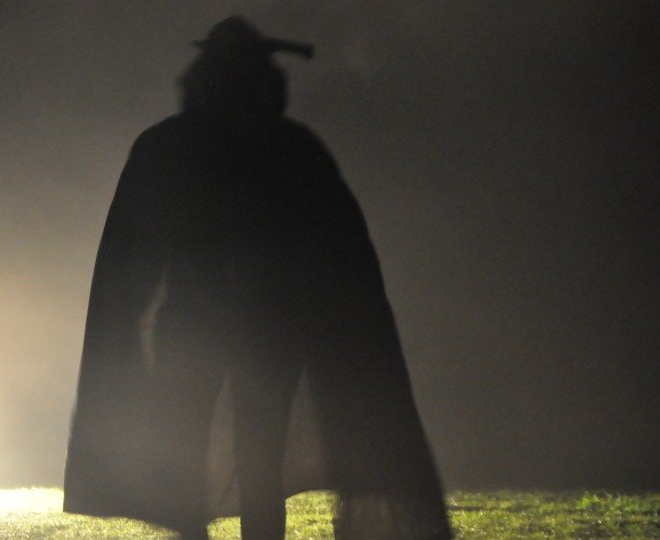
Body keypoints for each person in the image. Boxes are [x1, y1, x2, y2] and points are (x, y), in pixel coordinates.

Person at [63, 16, 453, 540]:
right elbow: (339, 257)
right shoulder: (290, 148)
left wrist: (128, 327)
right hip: (269, 332)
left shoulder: (169, 146)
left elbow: (131, 254)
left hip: (204, 327)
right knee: (258, 461)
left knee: (189, 456)